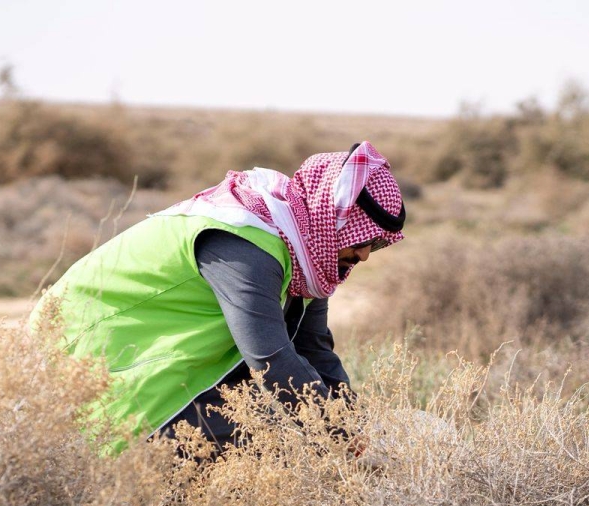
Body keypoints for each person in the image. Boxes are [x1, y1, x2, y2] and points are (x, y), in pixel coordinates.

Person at [31, 141, 407, 456]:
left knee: (293, 416)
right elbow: (271, 361)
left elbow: (315, 350)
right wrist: (341, 438)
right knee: (275, 425)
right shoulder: (248, 242)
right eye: (363, 240)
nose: (364, 255)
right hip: (90, 350)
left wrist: (356, 425)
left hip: (158, 354)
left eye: (376, 244)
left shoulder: (308, 254)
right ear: (333, 217)